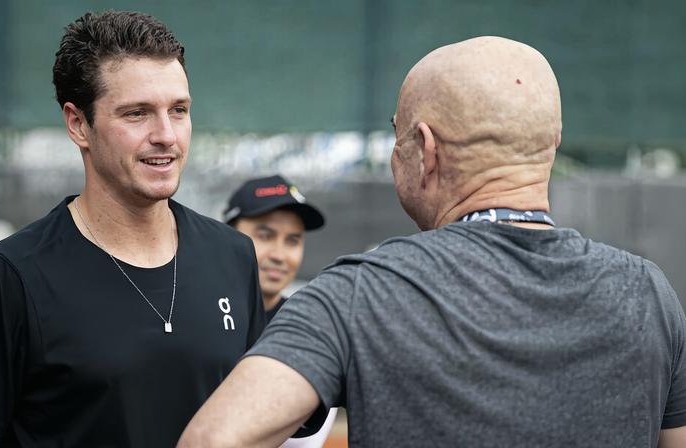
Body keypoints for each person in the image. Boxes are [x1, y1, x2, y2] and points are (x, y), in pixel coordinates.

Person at [178, 36, 686, 447]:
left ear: (425, 149)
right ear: (550, 144)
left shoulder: (361, 292)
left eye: (396, 137)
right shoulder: (649, 295)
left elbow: (213, 439)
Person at [0, 11, 264, 448]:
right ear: (78, 124)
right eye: (137, 114)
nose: (166, 135)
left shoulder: (234, 255)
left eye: (178, 110)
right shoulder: (13, 276)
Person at [224, 175, 337, 447]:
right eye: (265, 235)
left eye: (293, 240)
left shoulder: (311, 330)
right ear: (226, 233)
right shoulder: (186, 311)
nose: (279, 254)